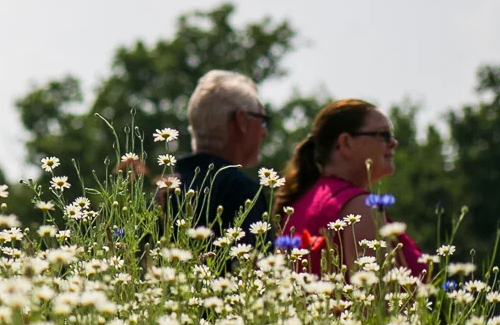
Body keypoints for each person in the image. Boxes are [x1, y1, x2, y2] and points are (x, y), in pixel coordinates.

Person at [275, 98, 426, 278]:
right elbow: (374, 300)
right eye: (384, 135)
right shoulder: (360, 208)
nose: (393, 142)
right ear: (345, 143)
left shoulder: (300, 203)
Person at [173, 70, 269, 236]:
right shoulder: (243, 194)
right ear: (242, 120)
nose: (264, 132)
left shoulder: (165, 192)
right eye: (262, 120)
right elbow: (249, 260)